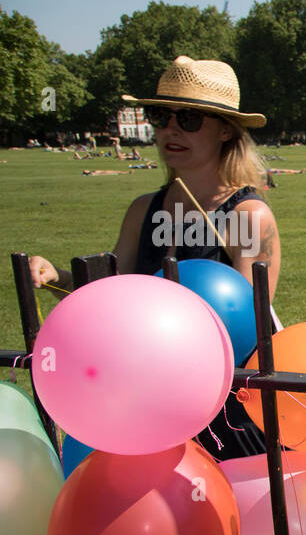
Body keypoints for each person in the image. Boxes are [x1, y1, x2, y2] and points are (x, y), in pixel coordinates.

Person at [29, 55, 281, 461]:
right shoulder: (142, 209)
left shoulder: (247, 214)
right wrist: (53, 275)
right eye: (161, 116)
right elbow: (110, 296)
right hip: (140, 395)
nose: (170, 129)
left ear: (225, 131)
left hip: (223, 408)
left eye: (189, 119)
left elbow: (247, 323)